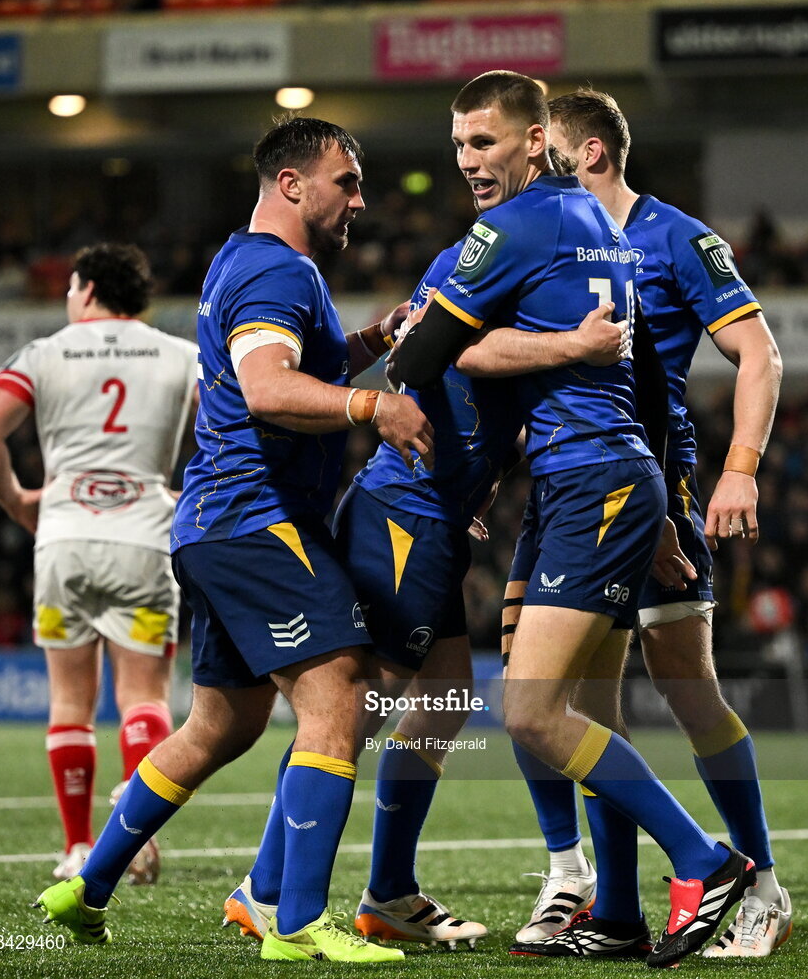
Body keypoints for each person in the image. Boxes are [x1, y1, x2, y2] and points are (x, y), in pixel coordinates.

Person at [31, 116, 433, 965]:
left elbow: (289, 367)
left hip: (215, 526)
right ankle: (294, 921)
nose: (359, 199)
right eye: (346, 181)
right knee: (339, 691)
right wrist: (374, 404)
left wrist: (369, 343)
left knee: (221, 723)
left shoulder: (248, 263)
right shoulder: (275, 271)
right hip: (255, 521)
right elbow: (264, 388)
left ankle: (86, 886)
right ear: (292, 184)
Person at [394, 70, 756, 968]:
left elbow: (417, 357)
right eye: (457, 144)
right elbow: (633, 377)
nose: (466, 161)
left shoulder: (515, 226)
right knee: (593, 707)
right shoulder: (605, 228)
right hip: (608, 480)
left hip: (587, 481)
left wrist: (439, 338)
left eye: (482, 142)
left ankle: (711, 863)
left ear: (534, 143)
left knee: (527, 709)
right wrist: (661, 514)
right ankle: (619, 909)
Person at [221, 239, 629, 950]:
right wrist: (574, 345)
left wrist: (487, 467)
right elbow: (444, 352)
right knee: (355, 706)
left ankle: (387, 892)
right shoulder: (477, 268)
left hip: (432, 516)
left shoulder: (511, 285)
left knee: (443, 696)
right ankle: (267, 887)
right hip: (404, 513)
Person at [503, 89, 789, 960]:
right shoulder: (550, 232)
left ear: (589, 152)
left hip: (650, 489)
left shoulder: (675, 237)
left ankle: (760, 884)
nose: (526, 157)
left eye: (541, 144)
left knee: (686, 687)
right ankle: (607, 902)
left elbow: (760, 354)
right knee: (578, 703)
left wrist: (736, 470)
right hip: (569, 490)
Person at [0, 242, 198, 885]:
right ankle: (138, 839)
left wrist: (16, 502)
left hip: (63, 537)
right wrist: (188, 495)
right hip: (145, 540)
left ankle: (75, 846)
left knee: (70, 701)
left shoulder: (45, 353)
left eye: (71, 289)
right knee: (144, 698)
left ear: (88, 290)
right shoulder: (181, 355)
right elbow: (229, 432)